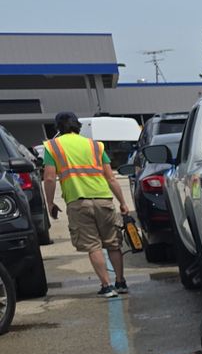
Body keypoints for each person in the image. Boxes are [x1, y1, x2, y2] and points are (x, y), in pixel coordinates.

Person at [41, 112, 134, 299]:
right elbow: (111, 178)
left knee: (93, 245)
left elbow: (49, 178)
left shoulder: (52, 146)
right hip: (104, 199)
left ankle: (107, 286)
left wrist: (50, 203)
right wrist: (123, 202)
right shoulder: (95, 145)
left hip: (78, 202)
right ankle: (121, 282)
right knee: (113, 244)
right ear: (78, 126)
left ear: (58, 127)